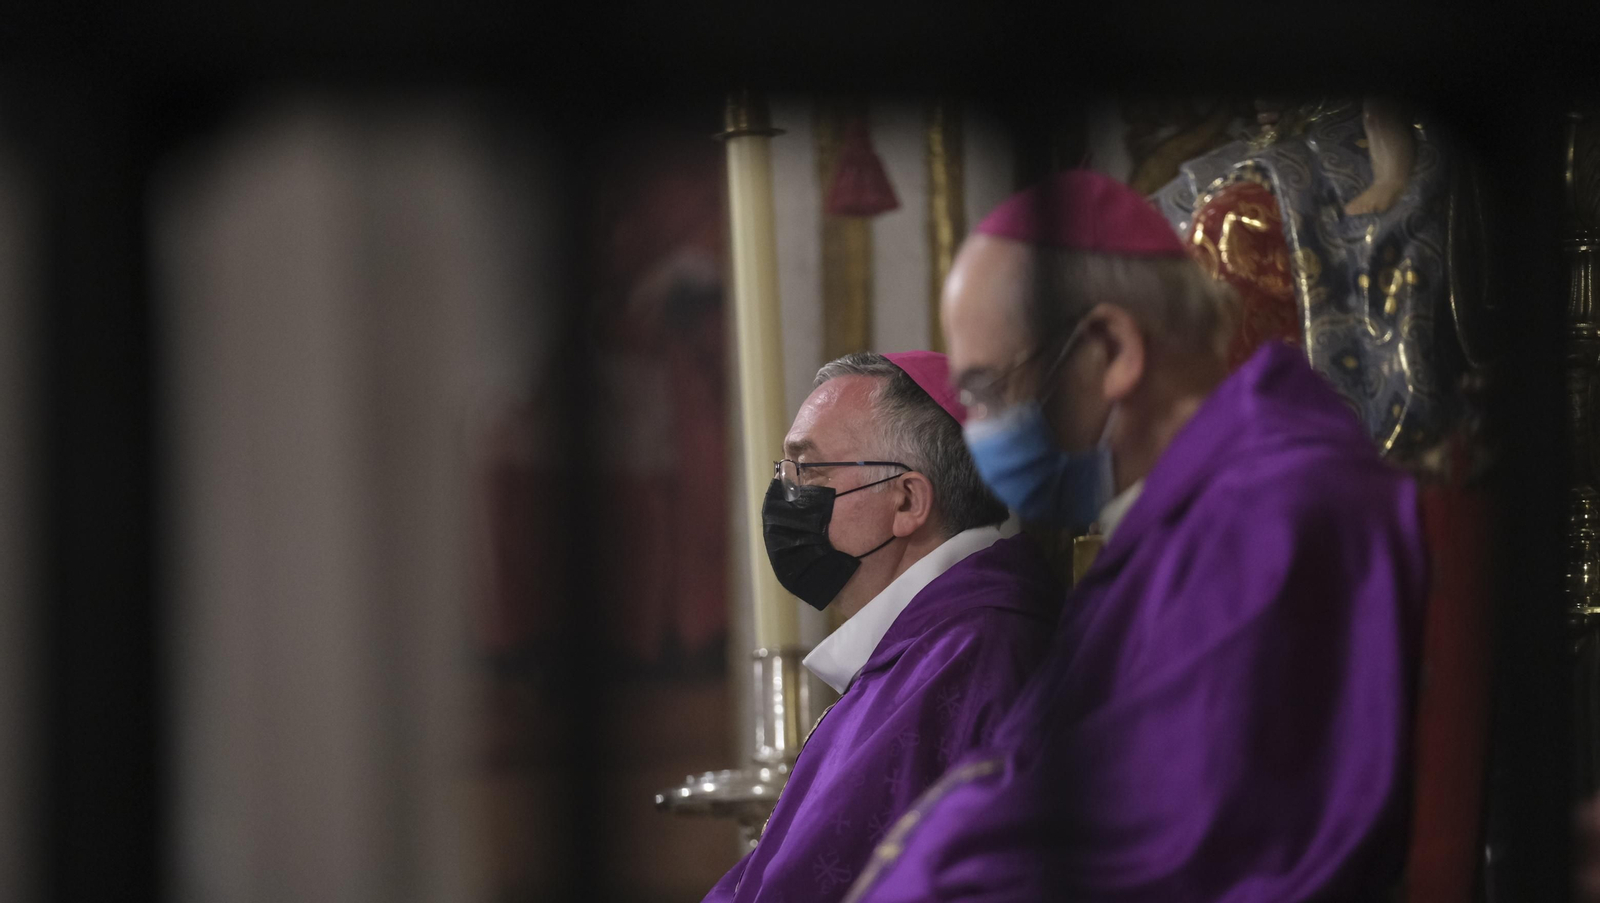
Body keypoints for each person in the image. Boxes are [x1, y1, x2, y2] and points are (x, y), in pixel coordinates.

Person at [845, 171, 1429, 902]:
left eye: (990, 392)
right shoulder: (1178, 519)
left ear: (1112, 348)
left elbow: (1178, 838)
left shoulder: (1269, 513)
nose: (979, 434)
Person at [703, 351, 1061, 903]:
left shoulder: (971, 658)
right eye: (785, 470)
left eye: (808, 469)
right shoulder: (923, 648)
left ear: (908, 500)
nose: (784, 494)